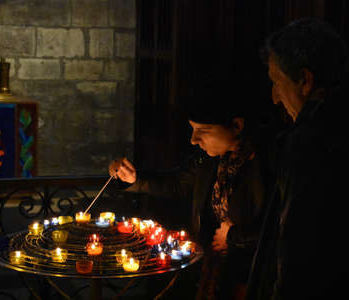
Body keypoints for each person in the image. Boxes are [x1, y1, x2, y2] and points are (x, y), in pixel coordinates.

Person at [246, 18, 349, 300]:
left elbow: (297, 254)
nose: (275, 98)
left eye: (277, 82)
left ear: (305, 81)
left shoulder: (310, 145)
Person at [109, 83, 269, 299]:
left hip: (251, 279)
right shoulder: (211, 160)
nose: (194, 140)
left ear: (237, 126)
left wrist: (233, 236)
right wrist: (134, 179)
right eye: (193, 130)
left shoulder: (266, 165)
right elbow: (178, 183)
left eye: (203, 131)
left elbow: (279, 228)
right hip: (212, 272)